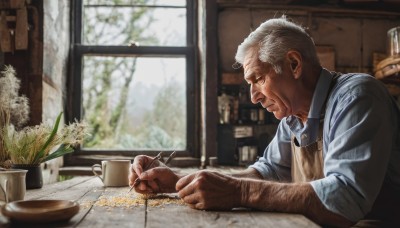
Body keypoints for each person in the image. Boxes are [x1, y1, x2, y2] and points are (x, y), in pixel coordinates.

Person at [129, 16, 400, 227]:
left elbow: (344, 201)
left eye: (257, 79)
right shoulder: (292, 116)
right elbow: (268, 172)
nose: (254, 97)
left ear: (294, 64)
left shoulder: (357, 97)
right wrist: (178, 180)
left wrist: (241, 192)